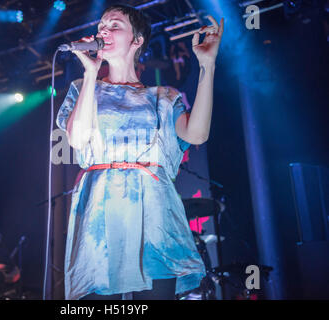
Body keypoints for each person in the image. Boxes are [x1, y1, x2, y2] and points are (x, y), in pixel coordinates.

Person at [56, 4, 224, 300]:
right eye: (101, 26)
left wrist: (207, 65)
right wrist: (91, 74)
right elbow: (79, 139)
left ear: (137, 41)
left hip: (155, 218)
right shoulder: (84, 86)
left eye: (115, 25)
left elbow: (197, 133)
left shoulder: (163, 97)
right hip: (100, 216)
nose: (103, 31)